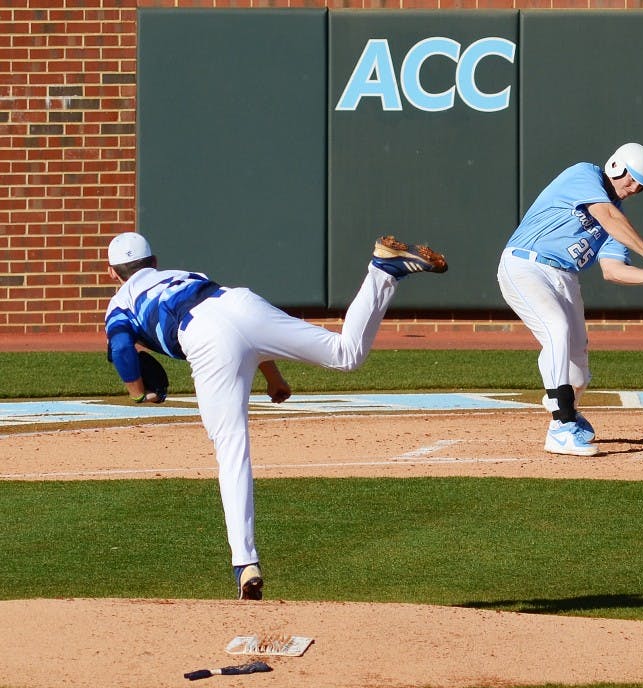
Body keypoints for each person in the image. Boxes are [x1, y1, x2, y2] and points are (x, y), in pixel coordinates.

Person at [104, 232, 447, 600]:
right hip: (239, 301)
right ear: (154, 262)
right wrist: (274, 378)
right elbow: (240, 330)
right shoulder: (183, 274)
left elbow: (122, 347)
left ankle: (245, 564)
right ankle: (383, 271)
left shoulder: (120, 303)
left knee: (232, 449)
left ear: (112, 273)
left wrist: (140, 393)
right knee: (345, 353)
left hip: (204, 338)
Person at [497, 142, 643, 457]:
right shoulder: (584, 174)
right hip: (525, 265)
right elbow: (606, 215)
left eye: (641, 185)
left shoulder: (617, 220)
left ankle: (559, 401)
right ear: (616, 166)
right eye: (632, 178)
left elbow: (613, 270)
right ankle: (561, 426)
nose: (634, 187)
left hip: (565, 278)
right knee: (557, 330)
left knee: (578, 370)